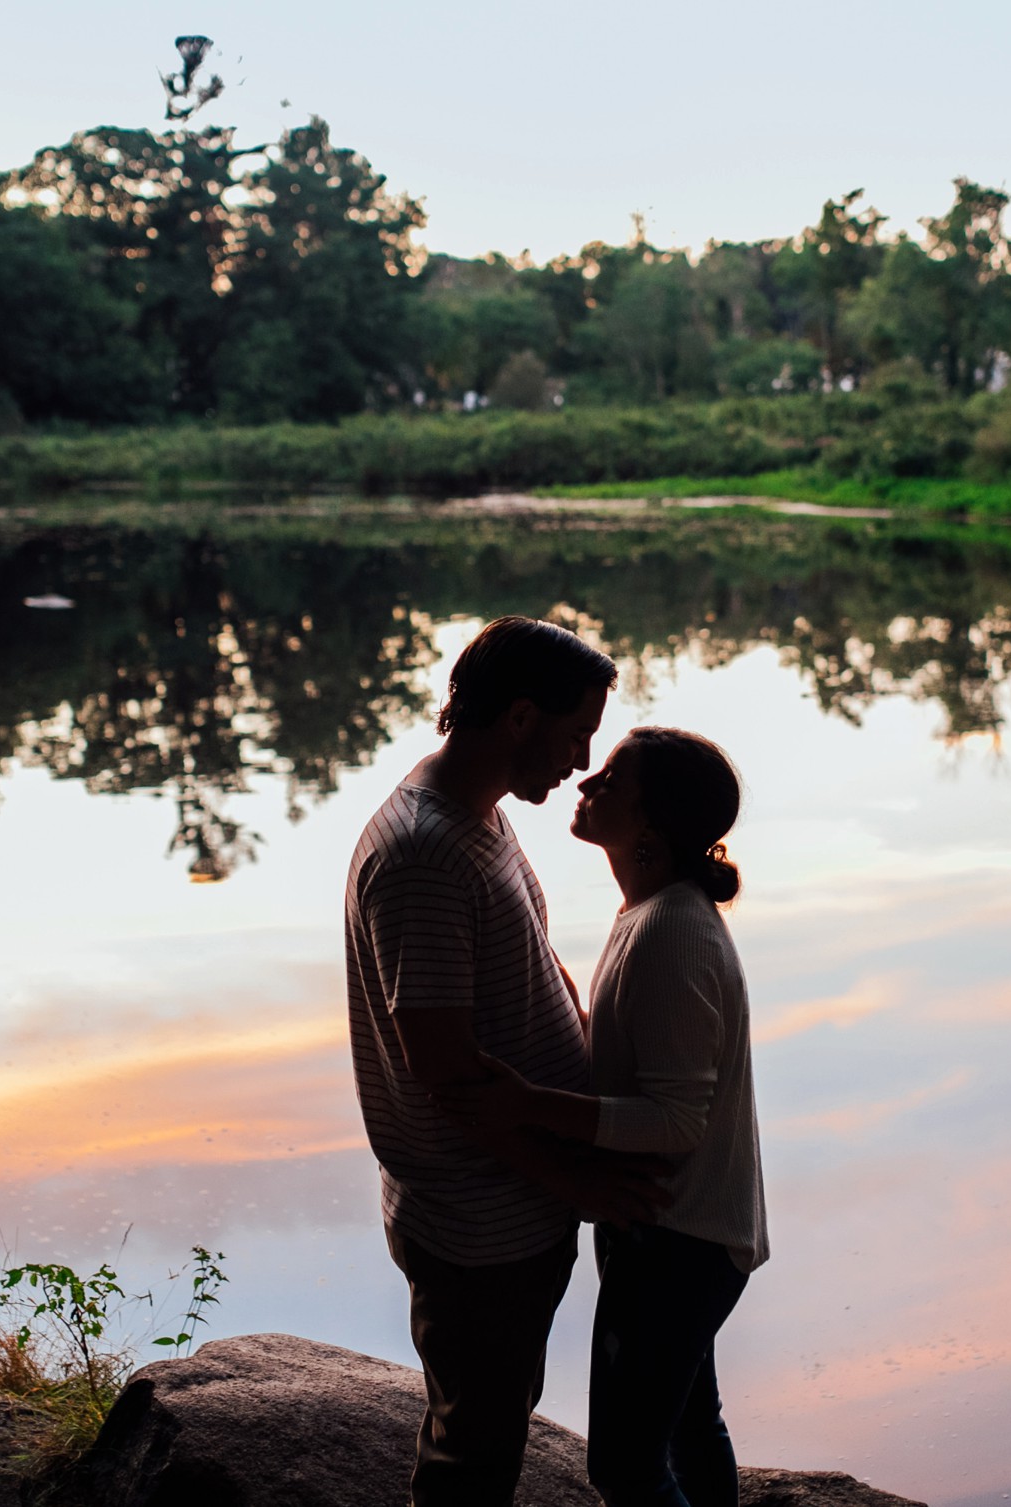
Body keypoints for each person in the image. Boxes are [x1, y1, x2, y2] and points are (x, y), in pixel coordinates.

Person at [344, 616, 669, 1507]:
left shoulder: (474, 813)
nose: (582, 758)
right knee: (472, 1459)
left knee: (495, 1419)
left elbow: (530, 955)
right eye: (576, 734)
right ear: (521, 717)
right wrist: (581, 1183)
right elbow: (447, 1077)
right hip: (478, 1223)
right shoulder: (424, 854)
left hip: (513, 1208)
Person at [445, 726, 766, 1507]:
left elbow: (674, 1121)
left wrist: (527, 1104)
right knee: (690, 1425)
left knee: (624, 1465)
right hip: (677, 1233)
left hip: (679, 1242)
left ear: (651, 827)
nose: (586, 779)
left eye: (612, 779)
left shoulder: (673, 934)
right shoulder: (650, 910)